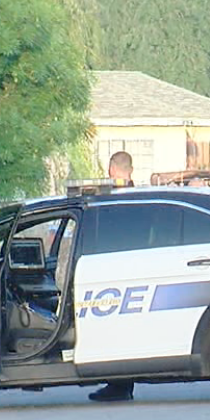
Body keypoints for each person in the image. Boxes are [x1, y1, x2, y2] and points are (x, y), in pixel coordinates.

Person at [88, 151, 137, 402]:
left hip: (116, 271)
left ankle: (119, 386)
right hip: (132, 268)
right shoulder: (139, 196)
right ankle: (120, 385)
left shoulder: (112, 199)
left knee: (116, 330)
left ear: (111, 170)